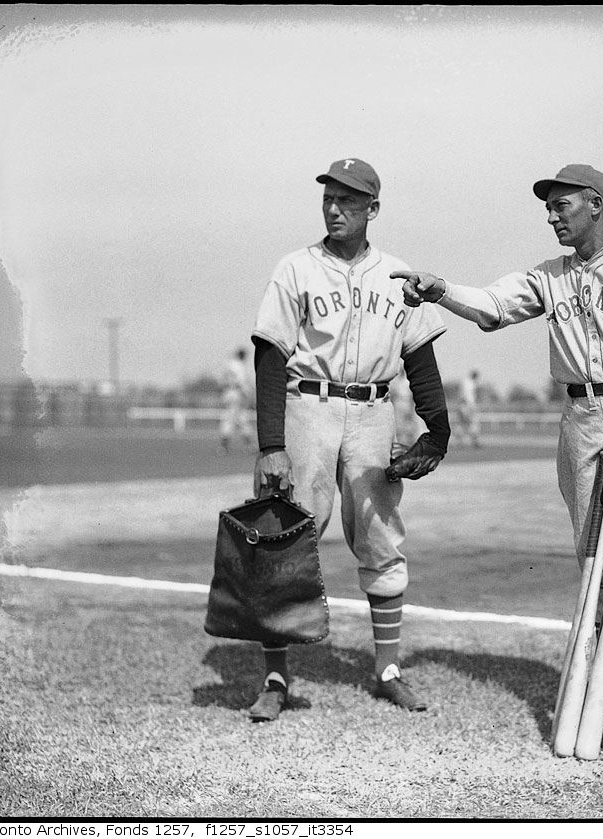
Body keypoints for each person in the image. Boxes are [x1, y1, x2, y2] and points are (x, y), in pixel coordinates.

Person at [394, 164, 603, 754]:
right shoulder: (551, 276)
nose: (552, 216)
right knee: (596, 557)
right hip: (583, 416)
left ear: (598, 205)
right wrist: (439, 289)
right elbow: (492, 306)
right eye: (549, 208)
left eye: (563, 206)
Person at [247, 157, 451, 722]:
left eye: (349, 201)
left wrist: (439, 429)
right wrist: (271, 443)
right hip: (305, 408)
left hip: (372, 411)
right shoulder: (295, 268)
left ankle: (387, 669)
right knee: (285, 540)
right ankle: (275, 675)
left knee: (381, 537)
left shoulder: (398, 273)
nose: (335, 209)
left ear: (372, 209)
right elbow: (270, 354)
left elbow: (421, 357)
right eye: (329, 199)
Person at [219, 348, 254, 452]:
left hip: (227, 393)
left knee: (230, 418)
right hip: (237, 393)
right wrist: (248, 395)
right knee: (240, 418)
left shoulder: (228, 364)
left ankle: (224, 446)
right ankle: (248, 445)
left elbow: (222, 380)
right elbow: (241, 382)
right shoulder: (239, 366)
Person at [456, 369, 482, 447]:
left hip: (461, 406)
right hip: (468, 406)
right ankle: (475, 441)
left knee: (462, 424)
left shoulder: (464, 382)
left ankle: (460, 442)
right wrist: (471, 407)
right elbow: (468, 397)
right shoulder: (471, 384)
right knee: (473, 423)